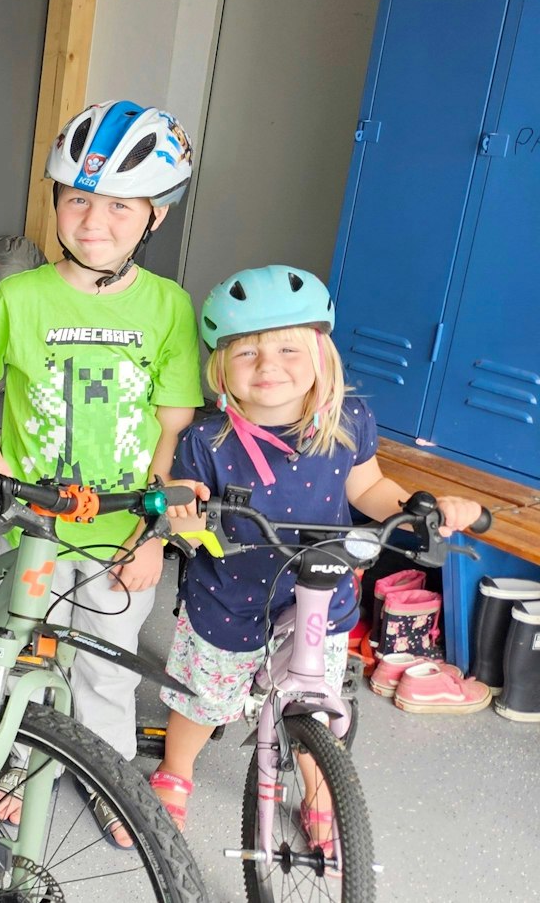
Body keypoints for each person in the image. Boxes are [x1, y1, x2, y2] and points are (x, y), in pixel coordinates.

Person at [150, 265, 481, 846]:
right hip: (230, 596)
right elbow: (188, 513)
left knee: (313, 702)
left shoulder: (347, 422)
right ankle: (176, 772)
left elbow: (369, 488)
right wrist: (184, 516)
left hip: (319, 592)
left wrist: (422, 507)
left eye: (288, 349)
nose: (268, 365)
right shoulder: (208, 440)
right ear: (221, 367)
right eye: (247, 352)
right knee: (205, 699)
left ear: (321, 357)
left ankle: (320, 789)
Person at [0, 100, 204, 847]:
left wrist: (153, 534)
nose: (94, 220)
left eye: (120, 205)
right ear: (56, 202)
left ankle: (107, 776)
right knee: (25, 648)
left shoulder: (168, 306)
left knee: (106, 667)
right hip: (33, 523)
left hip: (122, 530)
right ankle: (20, 764)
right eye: (78, 199)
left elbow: (171, 430)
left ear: (155, 215)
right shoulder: (20, 295)